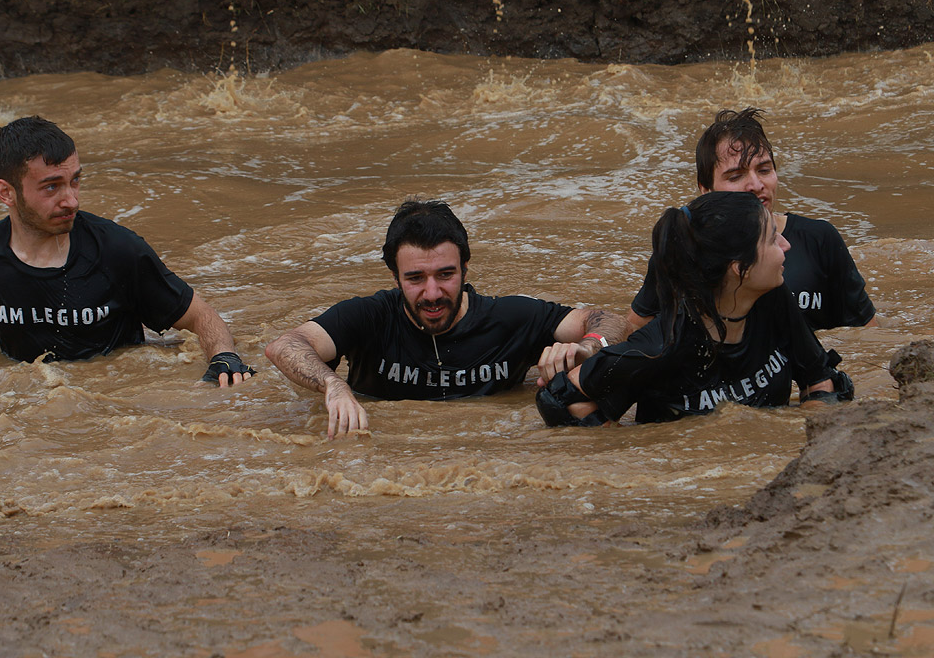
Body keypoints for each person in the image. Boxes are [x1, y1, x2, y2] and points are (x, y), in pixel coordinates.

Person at [0, 116, 253, 386]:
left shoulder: (117, 250)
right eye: (51, 187)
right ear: (6, 192)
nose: (71, 199)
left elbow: (201, 316)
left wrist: (224, 358)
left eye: (75, 180)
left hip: (117, 404)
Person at [265, 199, 628, 438]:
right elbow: (286, 345)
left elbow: (608, 320)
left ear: (465, 269)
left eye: (445, 274)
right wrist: (333, 386)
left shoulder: (511, 317)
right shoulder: (370, 316)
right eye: (415, 278)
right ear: (395, 279)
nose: (433, 293)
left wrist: (588, 348)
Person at [536, 192, 840, 428]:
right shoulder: (662, 346)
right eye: (773, 238)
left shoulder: (773, 299)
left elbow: (818, 378)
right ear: (740, 269)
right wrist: (626, 449)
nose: (787, 245)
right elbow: (559, 398)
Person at [627, 107, 877, 333]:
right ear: (706, 191)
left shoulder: (820, 239)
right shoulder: (682, 249)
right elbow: (635, 328)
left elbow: (868, 336)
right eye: (736, 176)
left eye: (765, 170)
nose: (756, 185)